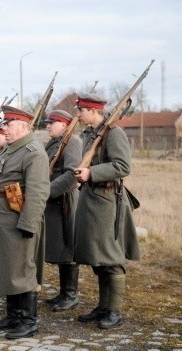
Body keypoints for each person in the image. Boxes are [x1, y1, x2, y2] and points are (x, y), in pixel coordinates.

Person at [73, 93, 140, 329]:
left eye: (81, 110)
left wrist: (92, 173)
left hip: (107, 200)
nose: (78, 114)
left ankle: (115, 311)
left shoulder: (114, 133)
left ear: (93, 111)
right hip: (91, 199)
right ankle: (103, 307)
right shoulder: (90, 134)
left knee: (112, 258)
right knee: (98, 258)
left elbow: (123, 166)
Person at [0, 105, 50, 340]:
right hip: (3, 217)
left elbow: (38, 191)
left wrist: (28, 223)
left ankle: (28, 320)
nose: (4, 129)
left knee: (23, 268)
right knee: (8, 266)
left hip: (17, 218)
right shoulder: (11, 149)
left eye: (8, 125)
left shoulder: (33, 152)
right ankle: (13, 315)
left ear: (22, 126)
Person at [43, 110, 82, 312]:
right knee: (59, 246)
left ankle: (70, 294)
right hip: (54, 202)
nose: (48, 126)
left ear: (65, 125)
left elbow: (72, 174)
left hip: (64, 201)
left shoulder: (72, 142)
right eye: (48, 123)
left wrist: (47, 191)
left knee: (68, 246)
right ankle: (63, 292)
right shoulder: (53, 143)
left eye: (53, 123)